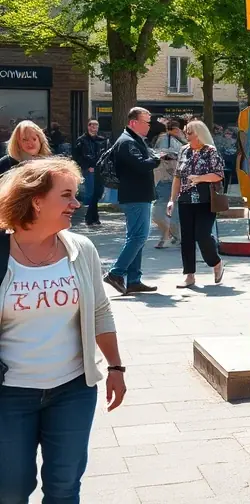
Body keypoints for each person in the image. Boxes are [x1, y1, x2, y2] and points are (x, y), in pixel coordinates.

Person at [0, 157, 126, 503]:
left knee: (64, 486)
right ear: (37, 201)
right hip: (9, 394)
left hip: (72, 390)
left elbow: (100, 310)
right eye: (67, 195)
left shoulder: (81, 249)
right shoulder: (2, 252)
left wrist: (115, 367)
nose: (77, 203)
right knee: (10, 489)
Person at [103, 108, 161, 296]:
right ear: (134, 123)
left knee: (136, 237)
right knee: (138, 237)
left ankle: (134, 280)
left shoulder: (132, 140)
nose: (149, 126)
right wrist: (157, 159)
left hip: (138, 195)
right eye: (146, 122)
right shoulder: (127, 142)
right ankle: (116, 273)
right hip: (136, 196)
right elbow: (141, 165)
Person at [166, 120, 225, 288]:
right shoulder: (184, 150)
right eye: (186, 132)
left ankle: (216, 263)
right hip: (185, 200)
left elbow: (219, 174)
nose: (186, 135)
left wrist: (200, 178)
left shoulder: (210, 151)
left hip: (206, 200)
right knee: (187, 238)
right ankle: (189, 275)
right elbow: (177, 176)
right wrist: (172, 199)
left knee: (202, 235)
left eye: (190, 132)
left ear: (199, 134)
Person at [150, 119, 184, 249]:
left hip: (169, 179)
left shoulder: (174, 140)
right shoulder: (164, 138)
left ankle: (170, 236)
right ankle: (172, 236)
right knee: (163, 211)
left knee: (165, 211)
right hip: (164, 179)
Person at [71, 120, 106, 227]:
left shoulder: (102, 140)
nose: (94, 127)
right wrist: (87, 167)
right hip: (89, 171)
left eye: (96, 125)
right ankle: (90, 218)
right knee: (91, 193)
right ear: (88, 127)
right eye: (92, 125)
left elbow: (105, 154)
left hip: (100, 170)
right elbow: (77, 156)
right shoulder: (81, 140)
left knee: (98, 193)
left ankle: (93, 217)